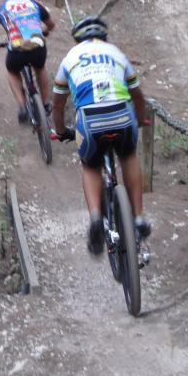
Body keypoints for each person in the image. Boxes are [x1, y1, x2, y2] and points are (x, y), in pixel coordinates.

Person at [51, 15, 152, 258]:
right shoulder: (116, 54)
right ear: (104, 36)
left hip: (90, 120)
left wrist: (61, 130)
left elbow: (58, 102)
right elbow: (138, 95)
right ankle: (138, 217)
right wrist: (139, 119)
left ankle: (96, 217)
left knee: (90, 166)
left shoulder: (70, 59)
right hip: (122, 114)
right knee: (128, 155)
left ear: (77, 39)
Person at [0, 0, 55, 123]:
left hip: (17, 48)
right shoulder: (34, 3)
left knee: (12, 71)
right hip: (38, 44)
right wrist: (45, 32)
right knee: (40, 67)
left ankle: (22, 106)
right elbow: (51, 24)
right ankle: (46, 103)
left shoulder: (1, 8)